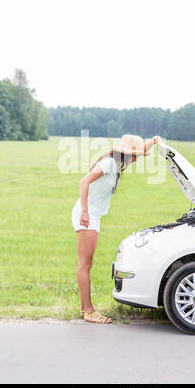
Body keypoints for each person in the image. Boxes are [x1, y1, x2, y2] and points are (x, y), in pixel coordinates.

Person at [72, 134, 161, 323]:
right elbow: (84, 182)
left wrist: (152, 142)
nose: (137, 159)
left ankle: (84, 309)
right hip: (87, 215)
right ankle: (89, 312)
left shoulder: (117, 162)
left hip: (92, 215)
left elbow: (143, 150)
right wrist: (85, 213)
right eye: (135, 155)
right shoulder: (110, 163)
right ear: (127, 154)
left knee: (87, 264)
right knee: (85, 264)